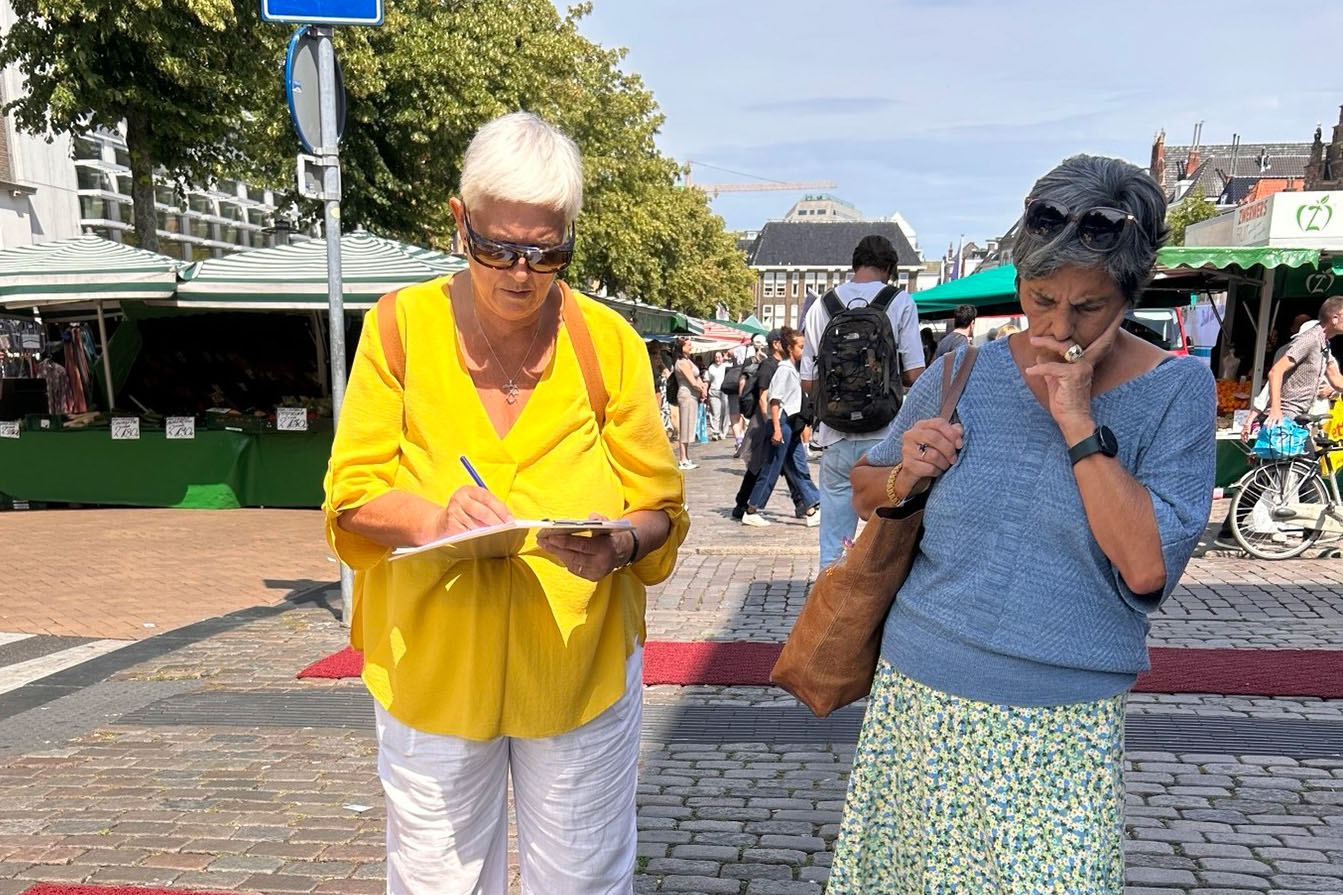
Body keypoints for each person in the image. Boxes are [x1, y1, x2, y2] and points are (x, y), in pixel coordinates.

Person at [322, 111, 688, 895]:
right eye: (498, 249)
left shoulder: (607, 341)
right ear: (460, 221)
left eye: (547, 253)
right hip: (433, 665)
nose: (521, 274)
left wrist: (620, 543)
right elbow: (350, 497)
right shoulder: (400, 328)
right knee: (437, 883)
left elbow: (660, 504)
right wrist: (433, 519)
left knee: (583, 881)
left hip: (575, 666)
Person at [831, 154, 1215, 894]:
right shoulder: (962, 371)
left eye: (1089, 307)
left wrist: (1077, 420)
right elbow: (865, 491)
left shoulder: (1176, 391)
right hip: (921, 692)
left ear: (1131, 292)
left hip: (1061, 720)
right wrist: (910, 470)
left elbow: (1146, 567)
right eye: (1040, 299)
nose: (1058, 328)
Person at [801, 235, 925, 568]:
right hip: (886, 439)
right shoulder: (899, 302)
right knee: (887, 543)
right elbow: (916, 374)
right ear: (890, 268)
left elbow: (808, 382)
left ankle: (829, 599)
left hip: (835, 436)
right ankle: (877, 600)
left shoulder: (822, 305)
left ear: (855, 264)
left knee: (834, 546)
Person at [741, 326, 820, 527]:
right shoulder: (784, 370)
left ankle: (812, 508)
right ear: (790, 348)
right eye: (801, 347)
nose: (804, 351)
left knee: (798, 467)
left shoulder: (793, 369)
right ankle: (751, 509)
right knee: (772, 468)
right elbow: (774, 401)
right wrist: (776, 428)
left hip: (790, 424)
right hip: (782, 422)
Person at [672, 336, 707, 469]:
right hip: (686, 395)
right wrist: (702, 390)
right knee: (685, 426)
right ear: (682, 348)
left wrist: (703, 387)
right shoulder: (682, 363)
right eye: (688, 345)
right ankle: (683, 459)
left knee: (690, 426)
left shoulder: (688, 360)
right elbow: (692, 381)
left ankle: (686, 457)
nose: (691, 347)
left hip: (692, 396)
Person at [705, 350, 731, 440]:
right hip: (713, 391)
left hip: (724, 391)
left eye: (719, 357)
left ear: (722, 357)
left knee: (725, 412)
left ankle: (723, 432)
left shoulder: (727, 366)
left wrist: (728, 358)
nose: (717, 359)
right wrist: (704, 390)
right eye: (716, 357)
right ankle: (715, 432)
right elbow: (707, 380)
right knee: (715, 413)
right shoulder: (711, 367)